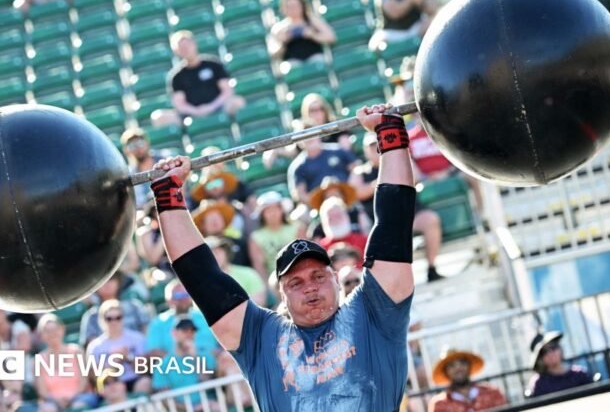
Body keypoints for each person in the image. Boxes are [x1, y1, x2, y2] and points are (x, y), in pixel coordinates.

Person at [147, 103, 416, 410]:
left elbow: (394, 228)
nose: (310, 287)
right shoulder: (261, 339)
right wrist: (168, 195)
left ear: (336, 279)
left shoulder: (374, 314)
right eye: (296, 283)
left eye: (318, 276)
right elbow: (202, 278)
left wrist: (390, 133)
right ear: (281, 295)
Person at [350, 132, 444, 282]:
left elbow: (416, 177)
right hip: (381, 223)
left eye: (378, 144)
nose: (377, 148)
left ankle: (432, 268)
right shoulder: (360, 172)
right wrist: (382, 182)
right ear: (366, 150)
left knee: (430, 219)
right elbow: (356, 192)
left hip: (409, 214)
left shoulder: (401, 161)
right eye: (372, 146)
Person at [152, 31, 245, 127]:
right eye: (181, 47)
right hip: (190, 116)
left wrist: (211, 107)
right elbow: (179, 104)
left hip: (219, 107)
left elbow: (227, 91)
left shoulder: (213, 64)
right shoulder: (176, 76)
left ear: (194, 44)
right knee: (159, 117)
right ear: (176, 51)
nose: (185, 49)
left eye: (187, 45)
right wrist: (196, 111)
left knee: (237, 102)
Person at [145, 280, 219, 366]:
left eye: (186, 295)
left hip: (212, 367)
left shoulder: (205, 317)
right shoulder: (158, 323)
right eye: (178, 295)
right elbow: (154, 352)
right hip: (175, 369)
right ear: (168, 299)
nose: (182, 299)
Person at [85, 299, 152, 394]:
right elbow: (96, 378)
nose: (114, 322)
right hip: (111, 385)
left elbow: (146, 369)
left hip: (135, 380)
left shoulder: (137, 338)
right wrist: (115, 362)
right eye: (109, 319)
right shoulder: (95, 346)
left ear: (123, 318)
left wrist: (128, 358)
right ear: (101, 320)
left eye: (118, 318)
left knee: (145, 383)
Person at [287, 124, 360, 204]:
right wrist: (319, 203)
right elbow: (300, 194)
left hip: (347, 198)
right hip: (318, 205)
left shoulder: (337, 150)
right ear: (299, 142)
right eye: (304, 136)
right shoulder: (298, 166)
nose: (309, 138)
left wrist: (350, 191)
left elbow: (356, 168)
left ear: (319, 134)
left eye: (311, 133)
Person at [35, 314, 94, 412]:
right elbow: (42, 391)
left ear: (62, 329)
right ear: (41, 335)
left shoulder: (77, 351)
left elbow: (83, 382)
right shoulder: (39, 360)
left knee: (77, 407)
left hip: (80, 397)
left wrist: (71, 399)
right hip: (53, 402)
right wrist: (58, 402)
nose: (52, 334)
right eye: (47, 331)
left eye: (54, 330)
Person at [80, 271, 150, 346]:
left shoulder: (135, 306)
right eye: (102, 281)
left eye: (111, 279)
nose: (107, 284)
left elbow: (147, 331)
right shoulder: (91, 316)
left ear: (118, 282)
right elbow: (91, 344)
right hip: (107, 352)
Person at [268, 0, 336, 63]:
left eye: (296, 6)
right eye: (290, 7)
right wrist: (283, 42)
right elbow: (273, 53)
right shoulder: (279, 27)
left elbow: (331, 37)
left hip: (314, 58)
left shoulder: (312, 20)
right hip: (292, 62)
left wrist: (313, 35)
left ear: (302, 6)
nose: (293, 9)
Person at [249, 191, 305, 281]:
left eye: (276, 208)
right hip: (275, 279)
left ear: (282, 210)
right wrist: (268, 286)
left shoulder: (298, 228)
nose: (273, 213)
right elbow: (259, 266)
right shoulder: (255, 237)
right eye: (268, 210)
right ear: (262, 214)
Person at [428, 348, 507, 412]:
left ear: (469, 366)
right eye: (451, 365)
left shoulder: (492, 392)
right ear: (446, 372)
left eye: (462, 363)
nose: (458, 368)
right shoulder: (439, 404)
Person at [369, 0, 438, 51]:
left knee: (435, 24)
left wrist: (421, 1)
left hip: (416, 28)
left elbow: (433, 10)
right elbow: (394, 13)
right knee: (376, 44)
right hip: (391, 32)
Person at [527, 331, 593, 397]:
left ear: (560, 349)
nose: (550, 353)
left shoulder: (580, 375)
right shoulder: (539, 384)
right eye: (544, 352)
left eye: (553, 347)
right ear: (539, 359)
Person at [208, 236, 268, 306]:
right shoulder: (202, 280)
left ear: (226, 253)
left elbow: (260, 301)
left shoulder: (248, 273)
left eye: (217, 252)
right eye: (210, 253)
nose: (215, 256)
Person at [121, 128, 160, 208]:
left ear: (147, 143)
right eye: (132, 146)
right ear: (126, 150)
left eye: (140, 143)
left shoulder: (164, 161)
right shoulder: (128, 174)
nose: (137, 148)